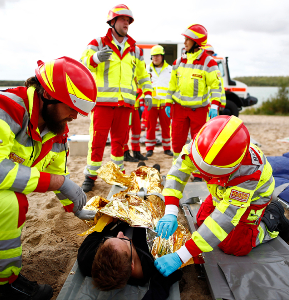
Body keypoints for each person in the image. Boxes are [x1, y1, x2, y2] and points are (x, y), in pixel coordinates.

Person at [0, 57, 97, 299]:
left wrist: (75, 206)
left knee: (11, 198)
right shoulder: (1, 108)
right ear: (48, 95)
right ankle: (2, 286)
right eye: (72, 107)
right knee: (10, 203)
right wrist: (59, 183)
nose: (74, 117)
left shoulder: (56, 128)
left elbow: (58, 173)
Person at [154, 115, 289, 277]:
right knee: (202, 221)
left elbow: (226, 216)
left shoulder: (248, 172)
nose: (202, 175)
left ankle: (271, 220)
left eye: (208, 174)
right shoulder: (201, 146)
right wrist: (170, 212)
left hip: (252, 200)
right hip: (223, 191)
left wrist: (181, 255)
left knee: (235, 246)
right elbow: (177, 174)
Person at [80, 4, 153, 192]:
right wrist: (95, 58)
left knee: (120, 142)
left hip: (125, 104)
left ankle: (117, 173)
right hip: (103, 103)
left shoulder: (136, 49)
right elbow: (83, 63)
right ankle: (91, 175)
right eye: (123, 19)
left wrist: (147, 92)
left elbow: (143, 75)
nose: (126, 23)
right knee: (97, 140)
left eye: (129, 20)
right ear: (112, 22)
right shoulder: (98, 43)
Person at [77, 220, 181, 300]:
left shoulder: (87, 259)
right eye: (123, 241)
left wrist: (111, 222)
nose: (120, 233)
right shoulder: (157, 265)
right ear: (132, 265)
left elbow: (94, 235)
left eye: (107, 239)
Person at [165, 24, 222, 161]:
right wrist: (168, 102)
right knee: (177, 142)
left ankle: (197, 173)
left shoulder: (209, 63)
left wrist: (214, 105)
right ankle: (176, 169)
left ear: (197, 42)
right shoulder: (178, 62)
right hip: (179, 108)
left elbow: (216, 86)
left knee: (199, 142)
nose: (184, 43)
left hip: (199, 110)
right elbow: (172, 84)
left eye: (187, 40)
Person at [145, 45, 173, 158]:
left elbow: (172, 86)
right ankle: (149, 149)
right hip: (151, 103)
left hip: (165, 103)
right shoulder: (147, 69)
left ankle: (167, 148)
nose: (155, 58)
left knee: (166, 126)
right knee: (150, 126)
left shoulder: (170, 69)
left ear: (162, 56)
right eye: (153, 56)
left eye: (157, 55)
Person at [124, 88, 148, 162]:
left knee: (137, 131)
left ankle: (136, 151)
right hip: (127, 107)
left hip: (135, 107)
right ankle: (125, 153)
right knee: (125, 131)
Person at [203, 43, 226, 113]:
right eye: (207, 54)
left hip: (213, 105)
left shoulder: (215, 70)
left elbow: (220, 87)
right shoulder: (198, 68)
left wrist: (222, 102)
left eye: (211, 54)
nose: (209, 56)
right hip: (202, 106)